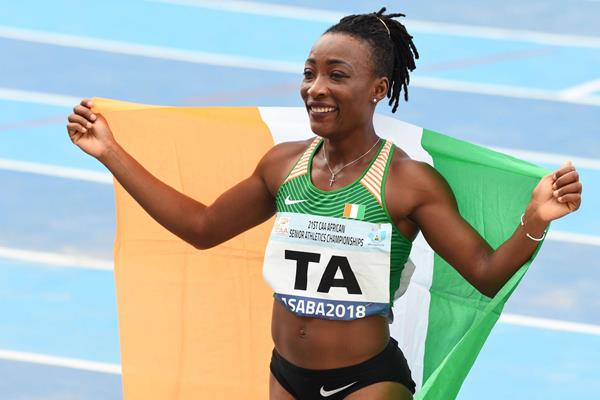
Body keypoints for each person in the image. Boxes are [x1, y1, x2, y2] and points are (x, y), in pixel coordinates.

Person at [66, 8, 582, 400]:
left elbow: (485, 273)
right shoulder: (282, 165)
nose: (315, 88)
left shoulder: (408, 182)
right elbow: (202, 226)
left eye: (337, 75)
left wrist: (534, 220)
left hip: (366, 382)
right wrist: (112, 153)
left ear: (378, 88)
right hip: (285, 374)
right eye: (309, 72)